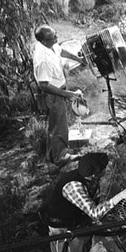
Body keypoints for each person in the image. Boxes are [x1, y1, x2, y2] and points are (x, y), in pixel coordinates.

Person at [43, 152, 126, 252]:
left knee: (107, 237)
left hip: (79, 222)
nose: (105, 172)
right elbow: (94, 212)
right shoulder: (73, 186)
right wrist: (120, 196)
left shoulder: (89, 179)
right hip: (63, 230)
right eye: (103, 170)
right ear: (95, 174)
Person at [33, 25, 85, 164]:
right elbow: (43, 85)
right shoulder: (42, 59)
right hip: (52, 94)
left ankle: (52, 154)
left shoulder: (51, 45)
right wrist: (66, 94)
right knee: (58, 125)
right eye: (53, 37)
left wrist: (77, 58)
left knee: (57, 123)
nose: (57, 38)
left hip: (58, 89)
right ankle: (61, 157)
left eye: (56, 34)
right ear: (44, 41)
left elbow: (60, 50)